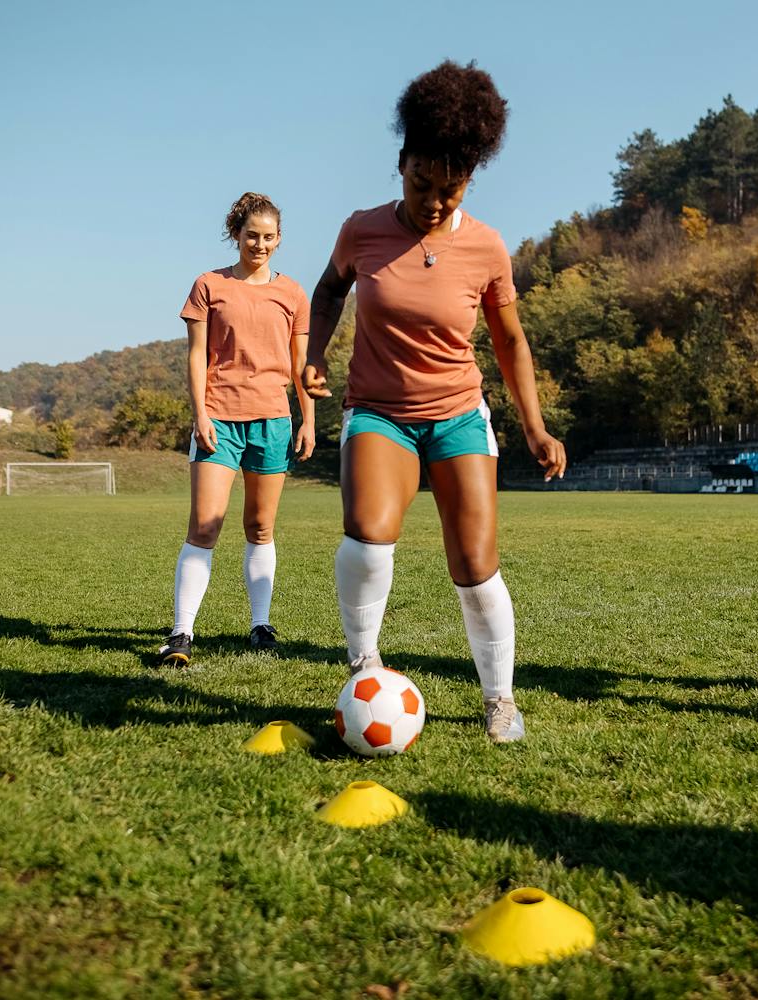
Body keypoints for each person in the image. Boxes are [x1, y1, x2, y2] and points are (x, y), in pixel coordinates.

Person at [302, 60, 567, 743]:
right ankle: (364, 665)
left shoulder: (485, 246)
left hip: (457, 415)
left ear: (470, 180)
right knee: (369, 531)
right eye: (423, 184)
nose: (435, 202)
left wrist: (534, 427)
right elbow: (329, 291)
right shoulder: (362, 230)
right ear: (401, 164)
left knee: (475, 565)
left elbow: (510, 343)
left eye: (451, 190)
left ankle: (499, 699)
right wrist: (312, 355)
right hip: (379, 412)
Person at [157, 193, 315, 666]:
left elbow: (300, 362)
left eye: (269, 237)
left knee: (260, 527)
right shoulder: (209, 285)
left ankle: (260, 625)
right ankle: (181, 633)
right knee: (205, 527)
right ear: (237, 234)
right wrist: (200, 414)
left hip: (273, 421)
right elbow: (196, 356)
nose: (259, 244)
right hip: (219, 419)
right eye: (252, 235)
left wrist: (309, 418)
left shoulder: (293, 294)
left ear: (279, 240)